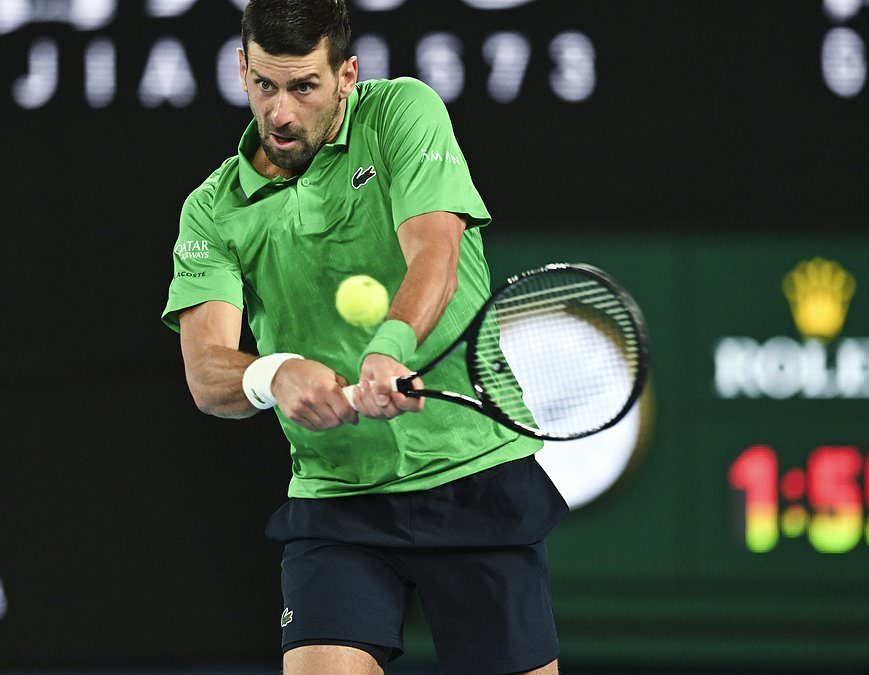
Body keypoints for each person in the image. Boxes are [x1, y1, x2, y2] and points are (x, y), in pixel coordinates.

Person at [161, 1, 567, 672]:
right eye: (263, 84)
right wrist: (274, 373)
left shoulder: (404, 112)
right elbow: (206, 371)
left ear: (347, 74)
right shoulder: (212, 208)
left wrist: (389, 348)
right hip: (338, 498)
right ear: (241, 69)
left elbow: (435, 249)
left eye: (304, 86)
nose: (280, 112)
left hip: (473, 470)